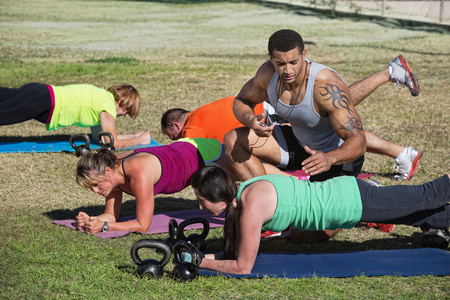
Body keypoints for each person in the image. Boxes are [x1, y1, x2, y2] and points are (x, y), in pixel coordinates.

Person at [225, 29, 422, 183]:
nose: (287, 70)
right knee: (233, 139)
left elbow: (359, 141)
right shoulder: (268, 74)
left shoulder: (326, 85)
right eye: (280, 63)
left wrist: (330, 159)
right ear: (271, 58)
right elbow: (241, 100)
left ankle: (364, 189)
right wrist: (251, 120)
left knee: (305, 234)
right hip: (300, 142)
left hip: (334, 157)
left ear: (304, 54)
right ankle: (261, 197)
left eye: (293, 62)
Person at [190, 166, 450, 275]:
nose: (200, 206)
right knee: (418, 213)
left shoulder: (251, 207)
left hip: (349, 201)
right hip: (346, 196)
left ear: (218, 195)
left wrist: (201, 262)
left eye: (202, 200)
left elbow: (243, 267)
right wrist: (198, 258)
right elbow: (234, 255)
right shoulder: (246, 188)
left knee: (430, 194)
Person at [162, 95, 421, 181]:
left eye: (171, 135)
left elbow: (185, 150)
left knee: (337, 113)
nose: (174, 139)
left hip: (267, 117)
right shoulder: (203, 111)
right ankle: (401, 152)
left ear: (176, 124)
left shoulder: (191, 126)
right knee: (336, 124)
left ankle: (389, 73)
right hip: (266, 113)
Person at [74, 138, 283, 233]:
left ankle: (291, 182)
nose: (94, 190)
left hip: (200, 153)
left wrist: (106, 227)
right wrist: (93, 220)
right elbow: (111, 216)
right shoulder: (112, 176)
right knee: (245, 174)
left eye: (94, 185)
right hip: (181, 151)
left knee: (249, 175)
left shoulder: (139, 174)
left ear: (107, 172)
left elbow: (142, 225)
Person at [0, 83, 151, 149]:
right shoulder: (108, 107)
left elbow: (101, 138)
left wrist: (132, 135)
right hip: (43, 102)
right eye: (127, 111)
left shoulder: (103, 98)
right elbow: (111, 143)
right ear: (122, 101)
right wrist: (139, 141)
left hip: (39, 92)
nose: (124, 115)